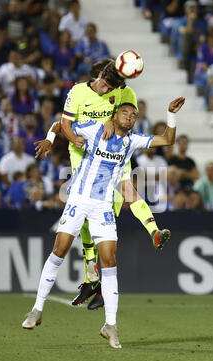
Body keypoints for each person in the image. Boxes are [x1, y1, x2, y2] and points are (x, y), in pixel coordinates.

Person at [22, 98, 185, 349]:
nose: (130, 117)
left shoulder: (132, 141)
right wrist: (50, 140)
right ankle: (37, 309)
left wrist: (170, 114)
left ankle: (110, 325)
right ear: (114, 115)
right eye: (125, 112)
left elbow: (167, 140)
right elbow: (60, 124)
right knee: (59, 251)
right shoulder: (94, 128)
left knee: (109, 262)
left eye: (134, 114)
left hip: (103, 206)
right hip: (78, 198)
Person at [57, 59, 173, 310]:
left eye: (115, 87)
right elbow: (64, 124)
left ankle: (153, 232)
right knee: (87, 215)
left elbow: (125, 116)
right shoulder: (78, 92)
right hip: (84, 158)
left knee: (120, 200)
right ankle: (92, 275)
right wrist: (64, 138)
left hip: (116, 153)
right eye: (108, 85)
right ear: (99, 76)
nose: (109, 90)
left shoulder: (124, 92)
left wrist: (113, 120)